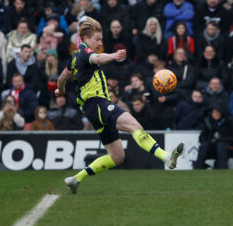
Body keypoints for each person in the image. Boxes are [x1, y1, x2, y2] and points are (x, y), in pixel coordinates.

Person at [57, 17, 183, 194]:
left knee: (117, 157)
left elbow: (62, 78)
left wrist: (59, 91)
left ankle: (76, 179)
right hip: (98, 104)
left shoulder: (73, 58)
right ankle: (167, 157)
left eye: (101, 39)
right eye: (97, 39)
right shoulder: (85, 53)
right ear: (85, 39)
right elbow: (98, 58)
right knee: (134, 126)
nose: (100, 42)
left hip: (93, 111)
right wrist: (115, 56)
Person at [194, 104, 233, 169]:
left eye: (218, 111)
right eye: (214, 112)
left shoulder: (229, 121)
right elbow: (201, 137)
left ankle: (223, 169)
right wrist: (210, 141)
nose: (216, 114)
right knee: (204, 145)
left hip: (230, 148)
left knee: (221, 145)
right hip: (212, 147)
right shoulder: (207, 122)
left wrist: (221, 139)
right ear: (211, 113)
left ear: (221, 112)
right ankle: (198, 168)